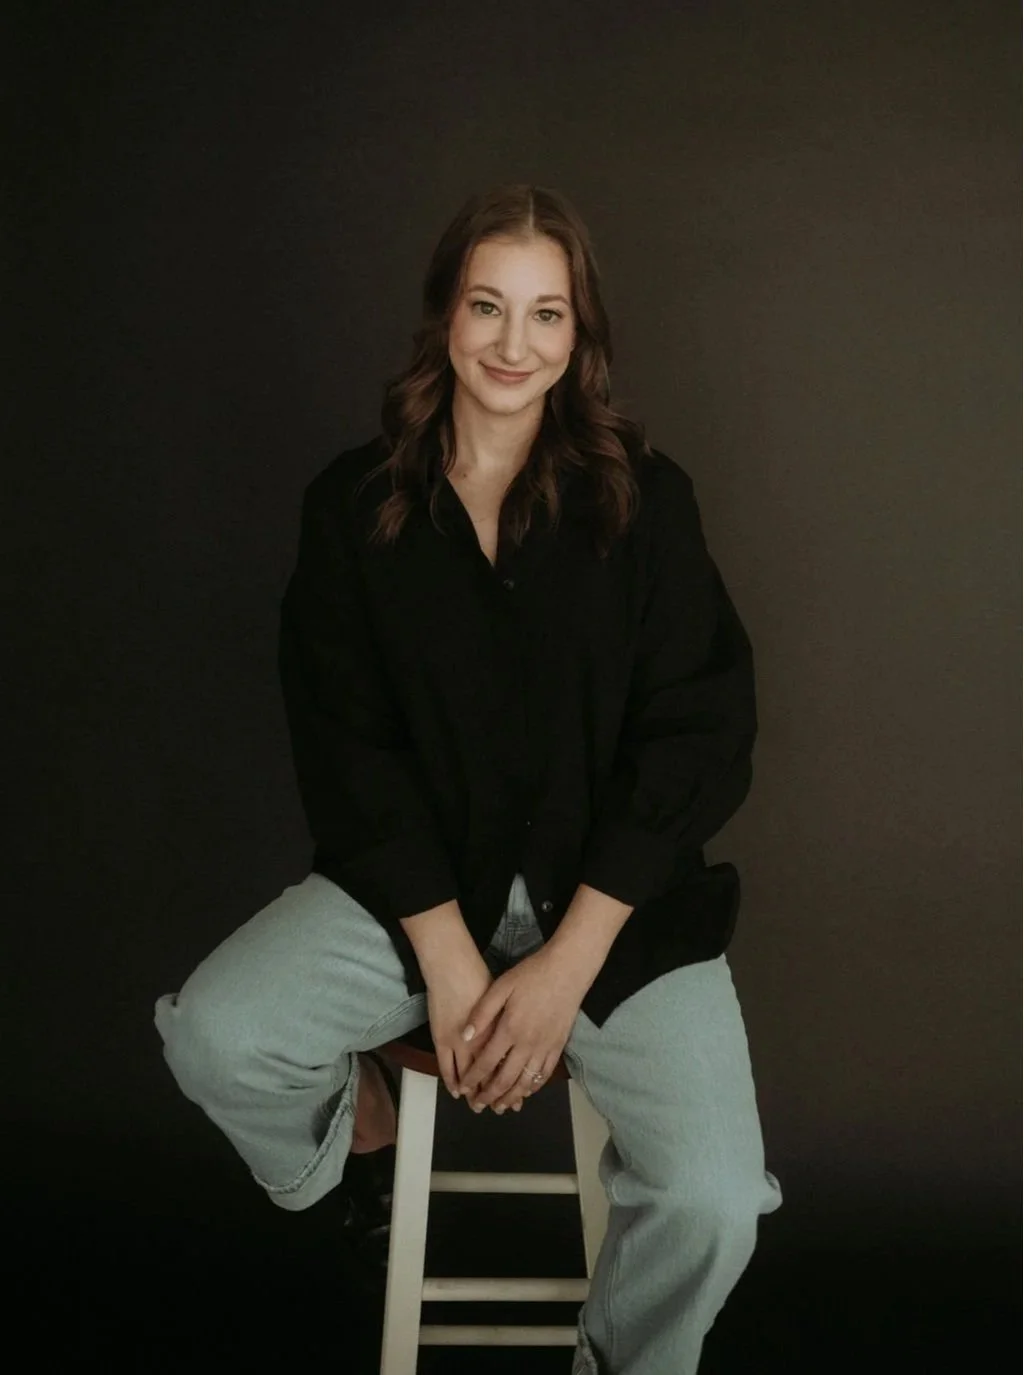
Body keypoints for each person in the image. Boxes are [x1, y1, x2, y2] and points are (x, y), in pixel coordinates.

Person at [154, 182, 782, 1375]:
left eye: (546, 316)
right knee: (219, 1038)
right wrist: (447, 958)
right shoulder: (351, 509)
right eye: (487, 306)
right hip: (413, 895)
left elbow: (700, 732)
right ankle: (367, 1145)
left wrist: (566, 964)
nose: (513, 343)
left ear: (578, 336)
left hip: (614, 912)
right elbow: (348, 746)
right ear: (444, 315)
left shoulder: (649, 504)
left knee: (710, 1200)